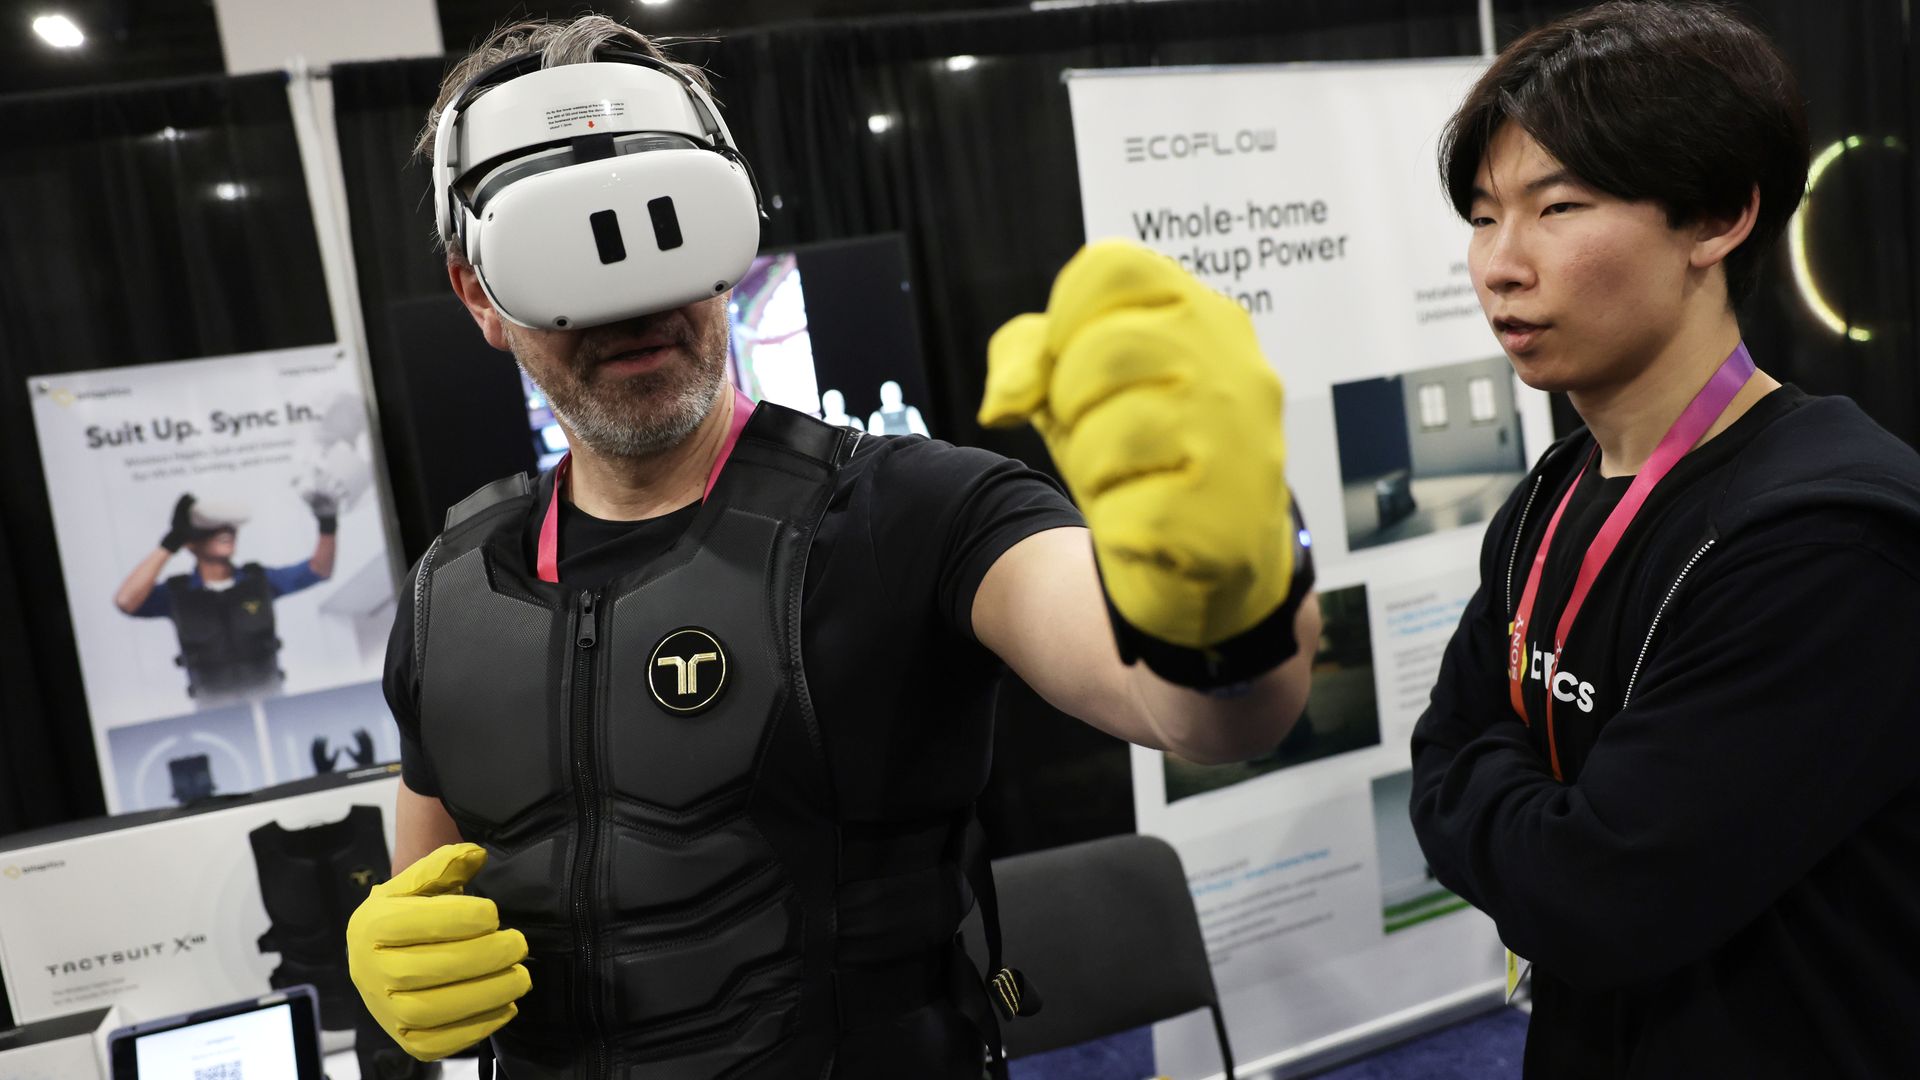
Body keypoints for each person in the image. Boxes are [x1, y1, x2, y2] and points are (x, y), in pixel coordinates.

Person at [344, 15, 1320, 1080]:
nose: (633, 304)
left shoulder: (914, 510)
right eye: (564, 251)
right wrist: (388, 957)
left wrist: (1230, 594)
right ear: (479, 292)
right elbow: (430, 878)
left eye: (660, 229)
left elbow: (1206, 717)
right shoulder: (455, 586)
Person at [1407, 4, 1920, 1077]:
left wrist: (1525, 821)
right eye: (1484, 214)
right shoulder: (1552, 495)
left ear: (1719, 219)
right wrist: (1546, 826)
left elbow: (1595, 895)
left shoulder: (1824, 542)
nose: (1501, 263)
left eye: (1559, 206)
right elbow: (1436, 761)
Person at [114, 491, 338, 702]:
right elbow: (126, 601)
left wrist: (327, 522)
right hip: (215, 714)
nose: (226, 532)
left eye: (230, 527)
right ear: (190, 542)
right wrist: (170, 543)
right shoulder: (177, 594)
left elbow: (319, 570)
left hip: (271, 701)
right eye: (211, 528)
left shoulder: (259, 580)